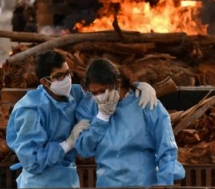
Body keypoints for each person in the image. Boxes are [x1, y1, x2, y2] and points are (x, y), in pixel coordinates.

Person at [5, 51, 157, 188]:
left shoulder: (75, 94)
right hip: (39, 183)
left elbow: (102, 94)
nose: (66, 80)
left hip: (68, 179)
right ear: (44, 82)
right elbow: (32, 161)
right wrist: (67, 144)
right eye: (59, 76)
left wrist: (136, 87)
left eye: (67, 73)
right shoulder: (30, 110)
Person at [75, 58, 186, 188]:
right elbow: (83, 149)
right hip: (107, 184)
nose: (98, 97)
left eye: (102, 90)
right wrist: (101, 118)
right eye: (94, 93)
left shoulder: (145, 102)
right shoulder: (89, 107)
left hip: (143, 184)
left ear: (118, 83)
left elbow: (167, 149)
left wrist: (164, 184)